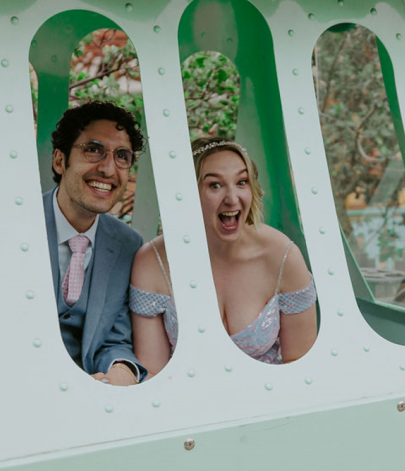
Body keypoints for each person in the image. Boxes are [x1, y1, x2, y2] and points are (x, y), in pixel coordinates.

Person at [130, 137, 317, 376]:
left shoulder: (282, 256)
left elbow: (300, 365)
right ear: (187, 194)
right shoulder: (152, 262)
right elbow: (153, 371)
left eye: (241, 182)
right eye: (215, 185)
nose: (232, 198)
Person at [43, 101, 147, 386]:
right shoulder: (15, 224)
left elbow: (115, 338)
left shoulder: (129, 244)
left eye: (122, 156)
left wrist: (122, 371)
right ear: (60, 161)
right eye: (93, 150)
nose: (108, 169)